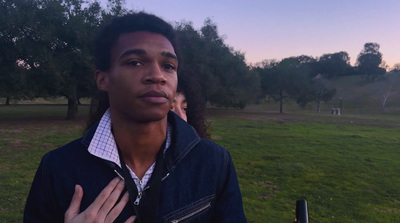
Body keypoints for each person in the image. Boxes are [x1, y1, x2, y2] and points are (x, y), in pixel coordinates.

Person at [24, 12, 246, 223]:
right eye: (135, 62)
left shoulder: (214, 162)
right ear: (103, 80)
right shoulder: (57, 169)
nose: (157, 76)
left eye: (168, 66)